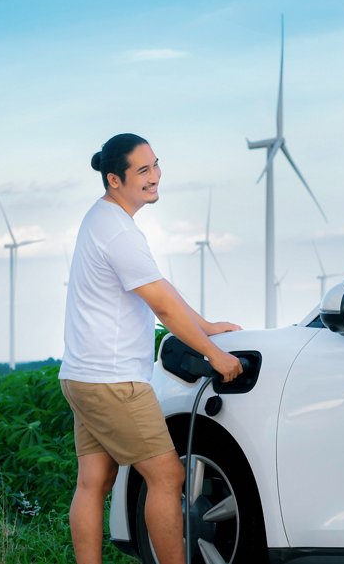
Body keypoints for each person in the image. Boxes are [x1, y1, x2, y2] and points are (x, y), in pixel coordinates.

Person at [59, 133, 243, 564]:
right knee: (167, 476)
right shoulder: (117, 231)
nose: (155, 176)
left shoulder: (104, 219)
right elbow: (160, 303)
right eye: (143, 170)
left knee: (93, 483)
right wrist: (215, 353)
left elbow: (162, 289)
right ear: (114, 179)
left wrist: (206, 325)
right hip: (113, 382)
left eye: (155, 164)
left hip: (83, 376)